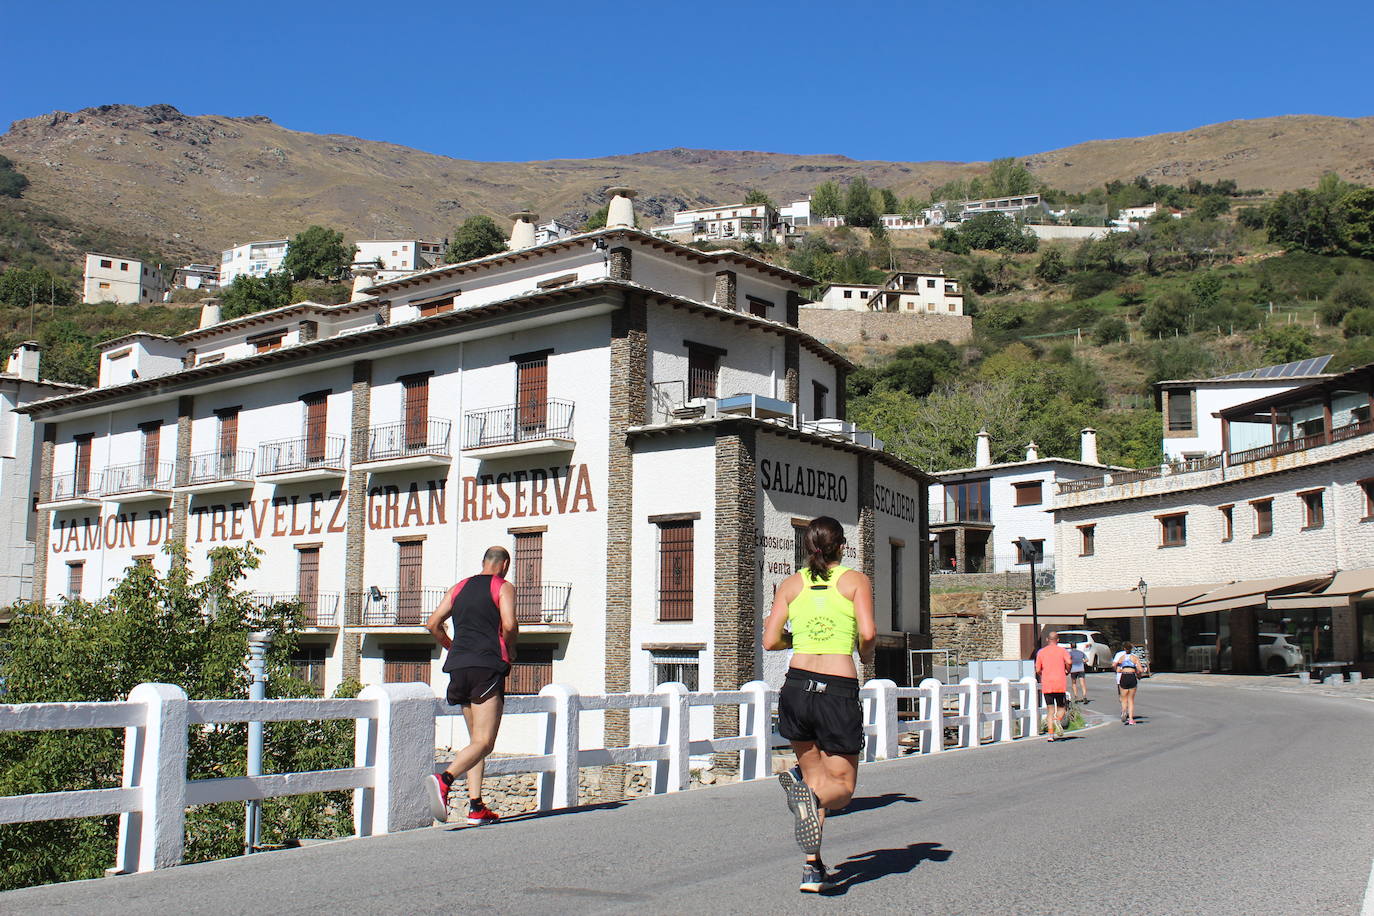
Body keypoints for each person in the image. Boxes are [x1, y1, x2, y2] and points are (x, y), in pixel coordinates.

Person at [763, 516, 876, 894]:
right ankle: (808, 798)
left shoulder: (791, 584)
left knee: (814, 777)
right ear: (841, 546)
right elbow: (869, 633)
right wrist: (864, 652)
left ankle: (813, 868)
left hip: (796, 689)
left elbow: (770, 640)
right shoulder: (855, 580)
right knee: (840, 788)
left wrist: (796, 642)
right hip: (836, 688)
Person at [422, 546, 518, 826]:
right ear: (504, 565)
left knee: (475, 741)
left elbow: (433, 623)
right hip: (487, 666)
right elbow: (509, 624)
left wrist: (450, 646)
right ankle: (444, 780)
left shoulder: (459, 586)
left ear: (484, 562)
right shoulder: (503, 586)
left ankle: (476, 806)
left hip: (459, 667)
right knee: (485, 742)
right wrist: (511, 648)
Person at [1034, 633, 1072, 740]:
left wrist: (1043, 674)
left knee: (1050, 710)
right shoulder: (1062, 651)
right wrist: (1067, 670)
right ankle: (1057, 719)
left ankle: (1051, 735)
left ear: (1047, 639)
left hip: (1047, 683)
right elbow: (1069, 661)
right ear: (1058, 640)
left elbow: (1037, 669)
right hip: (1059, 683)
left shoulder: (1041, 652)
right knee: (1062, 708)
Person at [1115, 643, 1142, 725]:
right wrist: (1138, 672)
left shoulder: (1121, 658)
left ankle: (1123, 711)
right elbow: (1140, 669)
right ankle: (1130, 719)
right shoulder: (1135, 658)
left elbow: (1118, 670)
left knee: (1123, 698)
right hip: (1131, 677)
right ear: (1131, 649)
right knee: (1131, 699)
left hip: (1124, 676)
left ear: (1124, 649)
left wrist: (1123, 668)